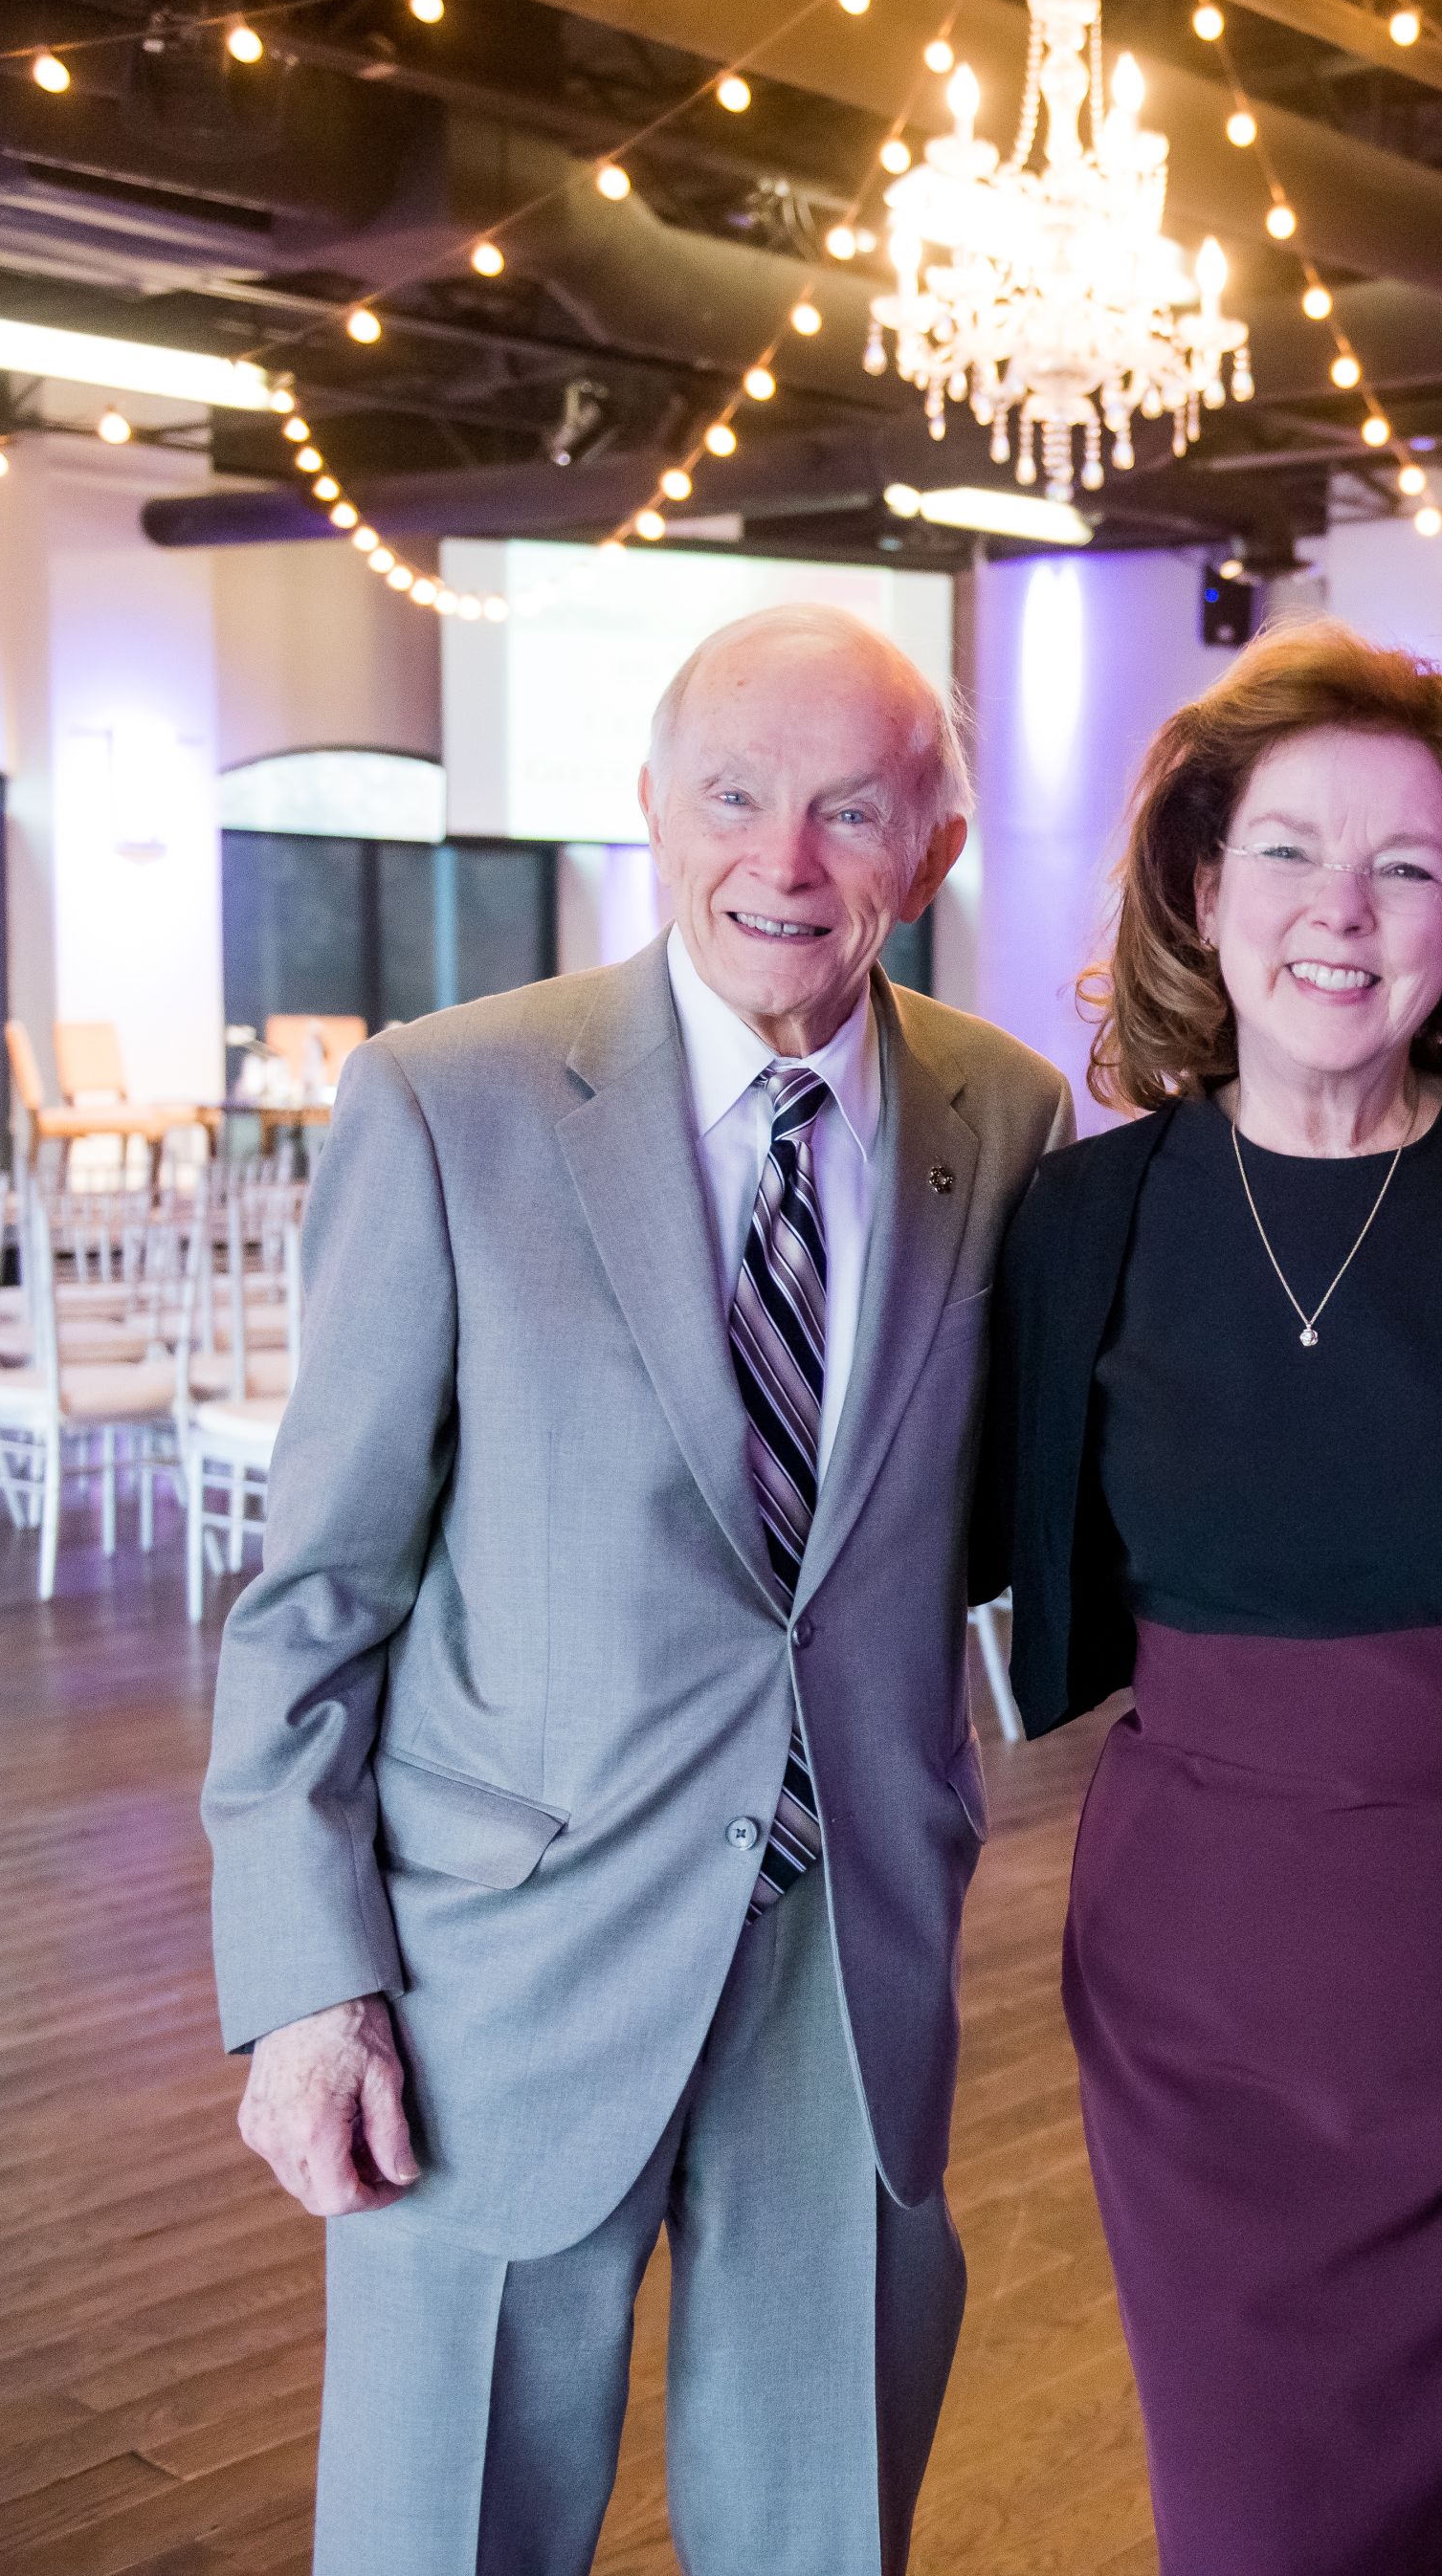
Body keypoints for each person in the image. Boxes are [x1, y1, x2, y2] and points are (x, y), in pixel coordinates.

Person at [203, 604, 1067, 2574]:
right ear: (653, 812)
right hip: (496, 1965)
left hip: (845, 1960)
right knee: (447, 2539)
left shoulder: (1007, 1121)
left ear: (926, 849)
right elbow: (315, 1589)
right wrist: (305, 1982)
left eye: (849, 811)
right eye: (737, 797)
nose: (784, 860)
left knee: (818, 2529)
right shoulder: (450, 1100)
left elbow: (1000, 1512)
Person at [980, 621, 1442, 2576]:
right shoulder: (1083, 1220)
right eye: (1287, 852)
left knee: (1423, 2511)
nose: (1339, 912)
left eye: (1402, 866)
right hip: (1197, 1999)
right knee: (1257, 2513)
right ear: (1200, 894)